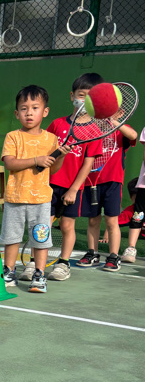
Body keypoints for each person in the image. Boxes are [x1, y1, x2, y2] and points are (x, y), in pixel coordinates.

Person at [0, 85, 67, 293]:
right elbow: (9, 163)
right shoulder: (13, 136)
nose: (29, 113)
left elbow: (53, 169)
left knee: (40, 238)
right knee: (11, 238)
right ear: (16, 113)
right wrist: (36, 160)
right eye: (24, 108)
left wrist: (60, 156)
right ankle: (8, 272)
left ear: (45, 112)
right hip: (15, 197)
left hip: (41, 199)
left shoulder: (51, 139)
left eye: (35, 108)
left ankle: (39, 275)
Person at [43, 74, 105, 282]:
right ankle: (36, 263)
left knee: (67, 226)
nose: (85, 100)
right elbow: (46, 151)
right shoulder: (57, 124)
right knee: (42, 225)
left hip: (72, 188)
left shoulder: (94, 131)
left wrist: (73, 189)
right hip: (48, 185)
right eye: (81, 95)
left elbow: (88, 164)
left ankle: (63, 263)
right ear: (72, 96)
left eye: (91, 97)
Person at [75, 115, 137, 271]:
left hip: (113, 182)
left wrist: (114, 123)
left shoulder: (121, 130)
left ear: (120, 113)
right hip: (90, 181)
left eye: (110, 111)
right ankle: (92, 253)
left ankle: (113, 256)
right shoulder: (91, 131)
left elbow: (133, 135)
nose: (105, 116)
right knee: (92, 220)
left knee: (111, 221)